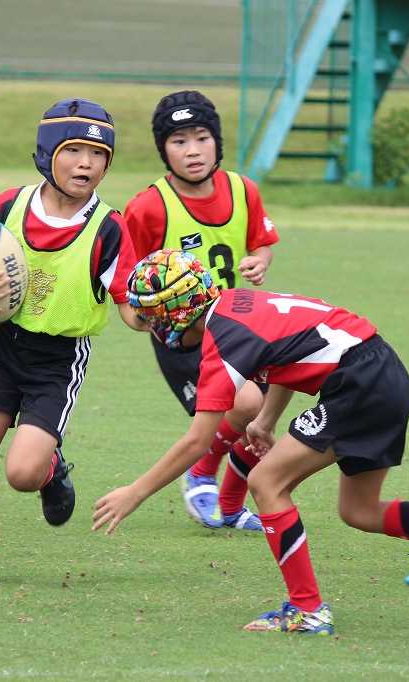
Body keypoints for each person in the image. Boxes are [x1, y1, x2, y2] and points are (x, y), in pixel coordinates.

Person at [92, 249, 409, 634]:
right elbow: (287, 352)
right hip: (381, 372)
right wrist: (266, 419)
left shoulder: (222, 340)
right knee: (360, 510)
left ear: (177, 312)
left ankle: (307, 610)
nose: (153, 326)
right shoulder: (237, 304)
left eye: (154, 316)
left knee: (267, 482)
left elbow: (196, 441)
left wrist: (136, 492)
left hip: (359, 382)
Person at [0, 98, 146, 583]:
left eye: (98, 155)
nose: (86, 163)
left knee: (22, 475)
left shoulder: (109, 228)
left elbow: (128, 306)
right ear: (47, 152)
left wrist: (156, 315)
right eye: (74, 150)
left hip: (57, 361)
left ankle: (50, 468)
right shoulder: (8, 206)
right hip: (1, 348)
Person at [124, 90, 279, 532]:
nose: (192, 150)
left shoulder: (243, 190)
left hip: (237, 327)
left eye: (201, 138)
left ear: (217, 142)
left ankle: (229, 505)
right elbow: (125, 278)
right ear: (163, 150)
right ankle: (201, 473)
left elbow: (261, 243)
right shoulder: (148, 207)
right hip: (182, 335)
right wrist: (137, 314)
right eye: (179, 141)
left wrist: (259, 261)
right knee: (246, 403)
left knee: (259, 419)